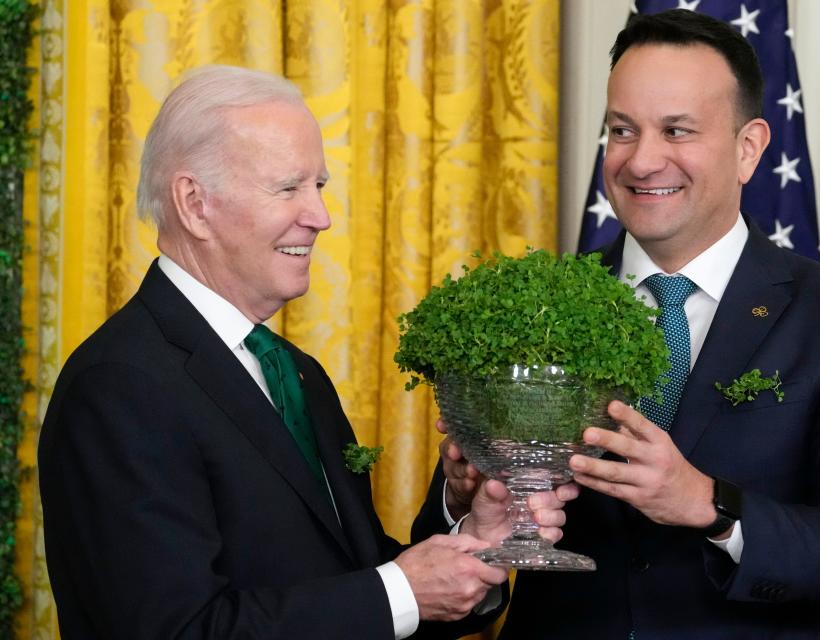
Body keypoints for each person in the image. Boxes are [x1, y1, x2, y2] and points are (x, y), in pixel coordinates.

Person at [414, 9, 820, 638]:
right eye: (622, 130)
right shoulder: (533, 308)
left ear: (748, 148)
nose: (641, 161)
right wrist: (462, 507)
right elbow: (435, 599)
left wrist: (709, 505)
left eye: (676, 131)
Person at [37, 65, 573, 640]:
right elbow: (174, 630)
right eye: (289, 187)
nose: (320, 217)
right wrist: (402, 590)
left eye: (318, 186)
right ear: (195, 204)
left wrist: (476, 539)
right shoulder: (118, 387)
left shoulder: (297, 373)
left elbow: (354, 586)